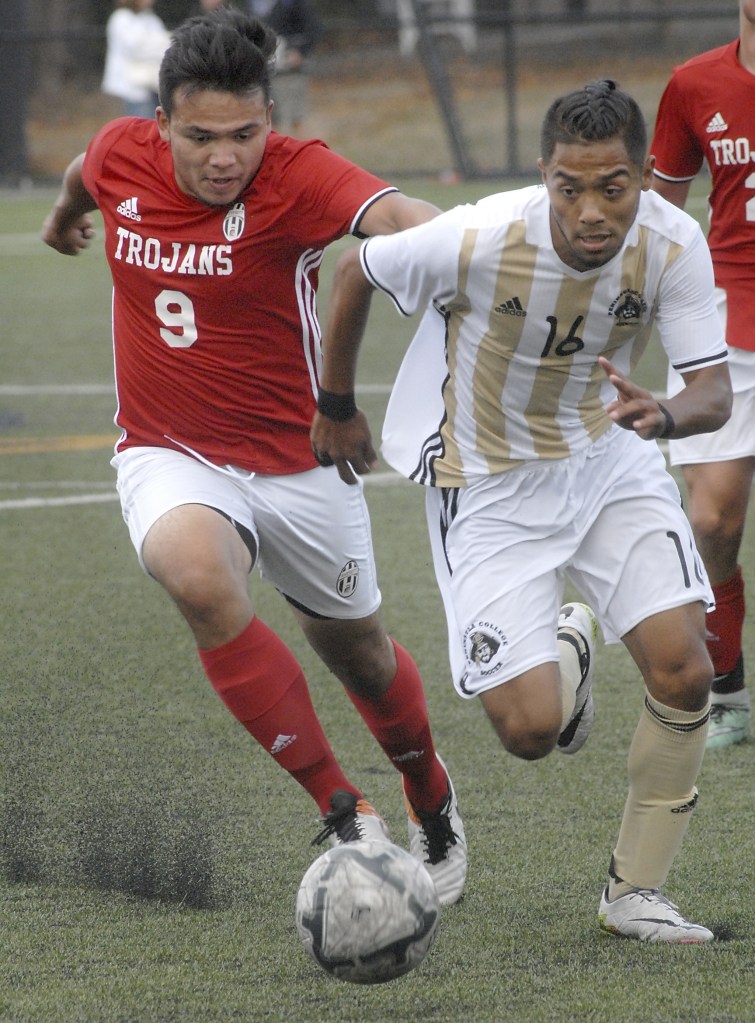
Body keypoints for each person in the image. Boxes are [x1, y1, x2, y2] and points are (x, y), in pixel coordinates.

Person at [41, 7, 467, 907]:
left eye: (244, 132)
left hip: (299, 460)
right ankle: (343, 807)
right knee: (197, 575)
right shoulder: (124, 153)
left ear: (268, 120)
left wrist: (476, 250)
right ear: (162, 127)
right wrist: (63, 215)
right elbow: (88, 170)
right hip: (170, 451)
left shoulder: (297, 173)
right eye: (200, 137)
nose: (224, 156)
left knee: (362, 657)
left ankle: (428, 791)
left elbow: (393, 213)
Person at [312, 80, 733, 942]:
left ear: (641, 177)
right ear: (543, 174)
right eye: (567, 186)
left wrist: (665, 413)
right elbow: (355, 267)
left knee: (685, 669)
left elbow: (713, 393)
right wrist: (335, 401)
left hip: (607, 458)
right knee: (529, 731)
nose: (588, 210)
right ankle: (571, 652)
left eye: (611, 186)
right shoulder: (480, 235)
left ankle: (635, 892)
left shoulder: (671, 243)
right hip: (487, 481)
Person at [650, 0, 754, 750]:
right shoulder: (692, 85)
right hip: (728, 325)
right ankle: (729, 690)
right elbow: (661, 219)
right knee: (713, 521)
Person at [248, 0, 322, 135]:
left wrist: (300, 51)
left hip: (291, 70)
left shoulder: (293, 4)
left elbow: (314, 27)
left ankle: (302, 150)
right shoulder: (257, 5)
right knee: (272, 114)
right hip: (269, 69)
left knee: (296, 115)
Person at [102, 0, 171, 120]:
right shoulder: (121, 18)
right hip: (129, 88)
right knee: (135, 128)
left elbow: (166, 45)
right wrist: (157, 44)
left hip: (151, 86)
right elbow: (136, 48)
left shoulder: (151, 18)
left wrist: (156, 44)